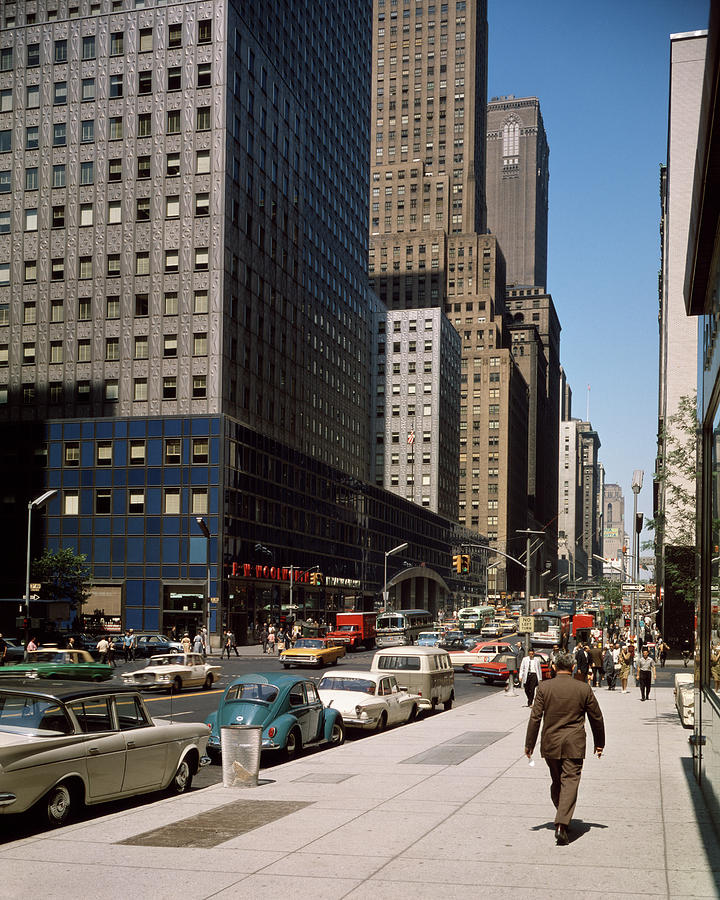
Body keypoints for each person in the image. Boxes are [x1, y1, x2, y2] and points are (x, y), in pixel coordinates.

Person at [524, 651, 605, 845]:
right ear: (573, 667)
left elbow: (535, 718)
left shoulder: (544, 688)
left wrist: (529, 744)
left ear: (553, 667)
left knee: (557, 782)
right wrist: (600, 743)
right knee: (570, 781)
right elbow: (596, 717)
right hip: (574, 743)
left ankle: (562, 817)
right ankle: (562, 822)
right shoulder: (583, 688)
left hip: (550, 743)